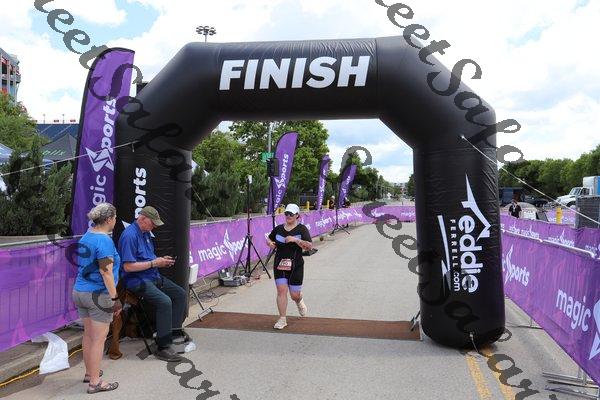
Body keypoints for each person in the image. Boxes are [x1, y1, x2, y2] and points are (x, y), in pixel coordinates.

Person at [117, 206, 188, 362]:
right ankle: (163, 347)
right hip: (136, 280)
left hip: (152, 276)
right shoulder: (129, 236)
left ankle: (174, 335)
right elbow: (128, 267)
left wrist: (161, 261)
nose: (154, 226)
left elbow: (148, 258)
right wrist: (154, 263)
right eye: (153, 223)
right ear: (142, 218)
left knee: (180, 294)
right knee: (165, 301)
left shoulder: (146, 233)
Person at [72, 203, 121, 394]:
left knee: (88, 335)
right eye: (114, 218)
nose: (115, 221)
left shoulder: (87, 235)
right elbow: (106, 272)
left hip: (80, 291)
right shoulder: (104, 241)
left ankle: (89, 373)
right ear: (108, 219)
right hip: (98, 295)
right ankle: (95, 382)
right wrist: (115, 298)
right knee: (99, 339)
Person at [266, 203, 313, 330]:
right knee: (281, 291)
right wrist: (270, 243)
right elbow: (268, 239)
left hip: (296, 265)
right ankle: (282, 319)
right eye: (286, 213)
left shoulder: (302, 229)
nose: (288, 216)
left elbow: (309, 246)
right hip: (280, 264)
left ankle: (299, 300)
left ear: (297, 215)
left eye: (291, 214)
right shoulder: (278, 228)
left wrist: (296, 240)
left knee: (294, 295)